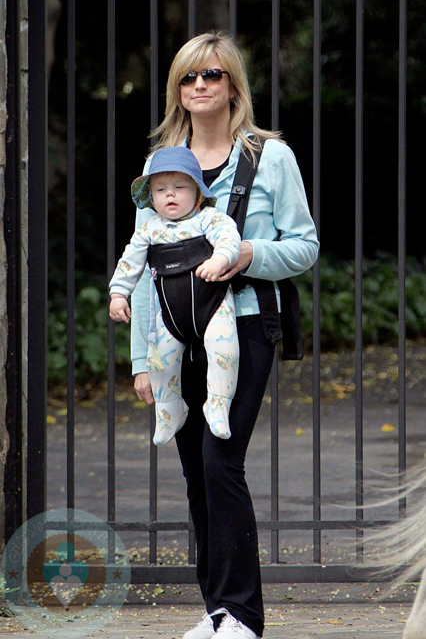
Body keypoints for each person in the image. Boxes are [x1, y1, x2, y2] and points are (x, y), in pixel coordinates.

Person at [130, 32, 319, 639]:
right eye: (188, 77)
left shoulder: (271, 157)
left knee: (220, 459)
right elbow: (142, 266)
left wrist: (245, 255)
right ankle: (217, 612)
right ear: (177, 90)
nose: (200, 85)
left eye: (211, 74)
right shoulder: (162, 160)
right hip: (175, 334)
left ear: (232, 82)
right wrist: (141, 357)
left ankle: (241, 614)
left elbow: (305, 247)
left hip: (244, 324)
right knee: (193, 466)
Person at [109, 146, 241, 446]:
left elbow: (229, 239)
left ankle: (218, 404)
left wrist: (219, 259)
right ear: (151, 196)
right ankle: (170, 411)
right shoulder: (148, 229)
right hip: (169, 314)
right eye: (160, 189)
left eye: (179, 187)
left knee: (225, 351)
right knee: (160, 362)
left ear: (197, 192)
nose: (170, 194)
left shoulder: (209, 218)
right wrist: (118, 294)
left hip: (213, 306)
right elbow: (130, 263)